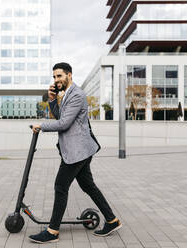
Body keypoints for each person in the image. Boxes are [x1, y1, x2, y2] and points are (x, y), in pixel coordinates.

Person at [29, 62, 121, 244]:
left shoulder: (77, 95)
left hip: (77, 151)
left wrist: (41, 125)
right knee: (88, 186)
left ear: (69, 75)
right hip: (79, 150)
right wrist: (52, 99)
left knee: (60, 186)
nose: (56, 80)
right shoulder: (66, 94)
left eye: (59, 76)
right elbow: (60, 116)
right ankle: (112, 220)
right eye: (54, 77)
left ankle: (52, 231)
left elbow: (63, 124)